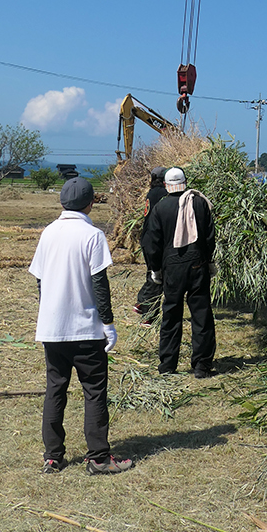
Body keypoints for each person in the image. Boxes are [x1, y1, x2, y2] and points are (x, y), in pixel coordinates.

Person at [29, 176, 134, 476]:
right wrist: (108, 323)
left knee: (55, 390)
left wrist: (49, 312)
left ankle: (53, 457)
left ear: (62, 202)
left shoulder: (48, 232)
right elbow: (99, 282)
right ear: (90, 204)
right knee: (94, 390)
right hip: (85, 327)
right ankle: (98, 457)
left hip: (52, 328)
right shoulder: (93, 235)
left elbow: (40, 280)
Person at [143, 167, 216, 377]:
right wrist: (208, 260)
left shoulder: (160, 207)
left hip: (172, 267)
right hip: (197, 264)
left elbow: (152, 242)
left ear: (166, 185)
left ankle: (167, 365)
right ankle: (202, 366)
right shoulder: (199, 202)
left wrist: (155, 269)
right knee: (201, 314)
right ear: (185, 183)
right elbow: (210, 237)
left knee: (171, 315)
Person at [133, 166, 167, 322]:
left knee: (153, 273)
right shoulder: (162, 193)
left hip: (147, 238)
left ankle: (141, 302)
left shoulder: (152, 192)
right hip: (154, 240)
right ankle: (148, 315)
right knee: (157, 276)